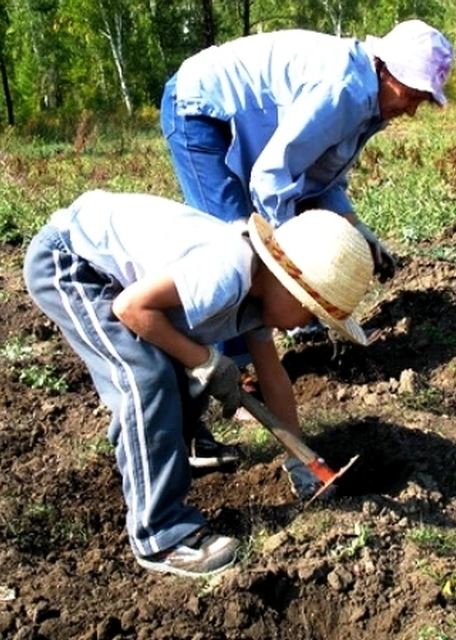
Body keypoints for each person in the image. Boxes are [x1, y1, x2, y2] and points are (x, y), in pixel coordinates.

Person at [22, 189, 374, 577]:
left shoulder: (260, 300)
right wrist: (205, 361)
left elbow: (274, 379)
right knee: (146, 378)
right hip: (71, 264)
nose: (305, 324)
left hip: (122, 281)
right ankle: (160, 536)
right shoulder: (225, 272)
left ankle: (181, 447)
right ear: (285, 281)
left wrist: (299, 457)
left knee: (181, 364)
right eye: (309, 310)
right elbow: (130, 308)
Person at [160, 18, 453, 456]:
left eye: (422, 101)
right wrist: (290, 262)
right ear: (386, 70)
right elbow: (272, 177)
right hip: (199, 110)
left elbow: (321, 180)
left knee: (263, 262)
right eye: (411, 95)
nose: (411, 109)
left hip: (228, 119)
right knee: (233, 249)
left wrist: (357, 228)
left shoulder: (370, 99)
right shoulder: (344, 92)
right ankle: (228, 379)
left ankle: (265, 346)